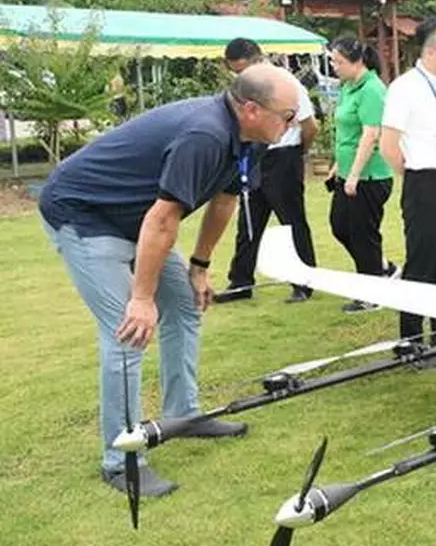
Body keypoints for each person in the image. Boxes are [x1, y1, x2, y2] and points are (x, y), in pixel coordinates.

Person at [38, 63, 300, 496]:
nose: (292, 124)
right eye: (286, 115)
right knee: (129, 333)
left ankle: (184, 416)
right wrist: (140, 297)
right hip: (84, 214)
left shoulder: (250, 140)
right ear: (252, 109)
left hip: (137, 220)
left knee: (183, 306)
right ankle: (122, 460)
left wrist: (199, 265)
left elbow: (224, 201)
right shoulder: (206, 135)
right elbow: (163, 219)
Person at [380, 18, 436, 345]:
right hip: (423, 182)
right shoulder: (405, 87)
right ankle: (411, 339)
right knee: (422, 260)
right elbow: (388, 145)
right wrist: (414, 173)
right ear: (430, 51)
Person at [212, 38, 319, 305]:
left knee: (291, 220)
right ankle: (241, 281)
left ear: (258, 59)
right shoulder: (244, 89)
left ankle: (303, 282)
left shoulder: (285, 83)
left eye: (243, 69)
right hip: (254, 154)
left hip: (283, 156)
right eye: (236, 72)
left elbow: (310, 126)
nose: (240, 76)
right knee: (248, 218)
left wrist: (298, 153)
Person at [326, 38, 396, 313]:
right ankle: (382, 268)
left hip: (370, 176)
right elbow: (345, 131)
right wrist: (337, 166)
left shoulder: (372, 90)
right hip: (347, 170)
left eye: (338, 62)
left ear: (357, 62)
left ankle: (371, 294)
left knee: (363, 234)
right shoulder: (347, 87)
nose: (334, 67)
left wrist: (354, 175)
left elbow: (371, 135)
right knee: (340, 226)